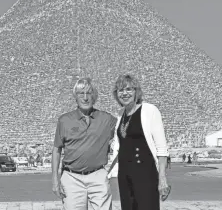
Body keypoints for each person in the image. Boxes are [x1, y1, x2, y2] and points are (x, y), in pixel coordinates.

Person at [51, 77, 117, 210]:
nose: (85, 98)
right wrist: (55, 180)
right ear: (75, 96)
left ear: (95, 97)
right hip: (72, 178)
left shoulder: (107, 119)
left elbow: (128, 128)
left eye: (89, 93)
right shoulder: (64, 120)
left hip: (98, 176)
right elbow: (56, 150)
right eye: (81, 93)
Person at [108, 74, 170, 210]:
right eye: (121, 90)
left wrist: (162, 179)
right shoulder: (120, 114)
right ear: (116, 94)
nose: (125, 93)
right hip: (124, 174)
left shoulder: (149, 111)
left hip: (145, 173)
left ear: (137, 91)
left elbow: (161, 147)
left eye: (129, 89)